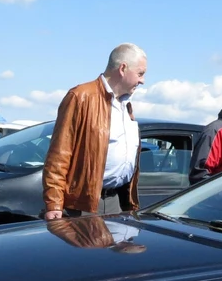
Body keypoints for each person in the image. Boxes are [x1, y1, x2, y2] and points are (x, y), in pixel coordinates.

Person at [42, 43, 147, 220]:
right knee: (87, 248)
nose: (142, 80)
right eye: (140, 73)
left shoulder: (125, 105)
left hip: (116, 201)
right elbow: (59, 155)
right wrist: (54, 204)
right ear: (123, 68)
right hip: (83, 205)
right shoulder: (81, 97)